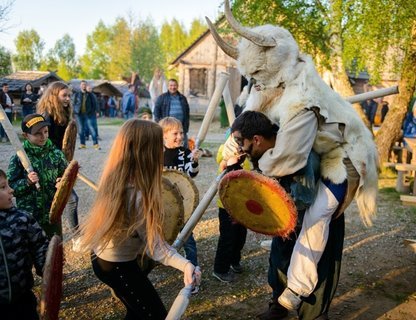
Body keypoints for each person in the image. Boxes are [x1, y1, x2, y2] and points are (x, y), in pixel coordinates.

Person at [230, 111, 348, 320]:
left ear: (256, 139)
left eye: (242, 142)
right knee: (281, 256)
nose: (241, 148)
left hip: (321, 197)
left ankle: (314, 315)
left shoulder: (298, 153)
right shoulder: (267, 143)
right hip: (291, 208)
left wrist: (271, 211)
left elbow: (304, 199)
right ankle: (279, 305)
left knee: (316, 259)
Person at [78, 119, 200, 319]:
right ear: (146, 152)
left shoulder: (116, 175)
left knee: (137, 311)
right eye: (157, 147)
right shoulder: (138, 194)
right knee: (153, 314)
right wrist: (186, 265)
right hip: (116, 264)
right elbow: (156, 247)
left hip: (101, 257)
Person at [7, 114, 68, 238]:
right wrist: (27, 182)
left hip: (53, 212)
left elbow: (66, 175)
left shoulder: (56, 154)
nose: (43, 136)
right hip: (30, 216)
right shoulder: (19, 158)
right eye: (37, 134)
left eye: (45, 132)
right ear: (25, 136)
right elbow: (11, 187)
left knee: (55, 247)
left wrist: (62, 182)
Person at [0, 168, 49, 320]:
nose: (11, 190)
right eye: (3, 187)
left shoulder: (22, 219)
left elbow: (41, 247)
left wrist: (48, 267)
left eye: (7, 185)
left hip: (22, 299)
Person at [36, 81, 80, 245]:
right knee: (67, 199)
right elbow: (44, 145)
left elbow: (66, 143)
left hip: (59, 163)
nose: (68, 98)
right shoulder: (46, 117)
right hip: (48, 166)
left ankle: (72, 236)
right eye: (64, 95)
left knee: (69, 199)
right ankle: (73, 238)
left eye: (69, 95)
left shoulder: (62, 113)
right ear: (54, 96)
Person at [159, 117, 200, 281]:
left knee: (187, 238)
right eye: (175, 133)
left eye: (181, 132)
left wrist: (194, 160)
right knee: (161, 233)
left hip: (183, 203)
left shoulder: (184, 153)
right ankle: (164, 258)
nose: (180, 136)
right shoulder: (157, 153)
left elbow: (192, 174)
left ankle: (194, 270)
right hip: (162, 203)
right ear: (164, 135)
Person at [212, 130, 249, 283]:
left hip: (242, 204)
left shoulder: (247, 154)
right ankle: (220, 269)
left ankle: (234, 260)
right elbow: (222, 162)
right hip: (227, 205)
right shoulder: (226, 151)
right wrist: (230, 158)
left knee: (240, 235)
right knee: (228, 237)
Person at [154, 79, 190, 148]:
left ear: (177, 86)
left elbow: (187, 113)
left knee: (184, 146)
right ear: (168, 86)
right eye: (171, 85)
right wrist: (160, 124)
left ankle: (184, 158)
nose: (173, 87)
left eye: (175, 85)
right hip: (168, 127)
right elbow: (156, 112)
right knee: (166, 146)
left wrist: (186, 127)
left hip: (181, 126)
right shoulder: (162, 98)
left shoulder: (182, 98)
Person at [72, 80, 100, 149]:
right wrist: (73, 113)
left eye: (84, 84)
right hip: (79, 114)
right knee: (81, 130)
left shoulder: (90, 95)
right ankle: (82, 144)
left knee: (92, 128)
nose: (83, 86)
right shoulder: (76, 94)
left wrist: (96, 111)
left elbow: (95, 104)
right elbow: (73, 104)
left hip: (88, 114)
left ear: (86, 86)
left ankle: (95, 144)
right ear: (80, 86)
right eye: (82, 84)